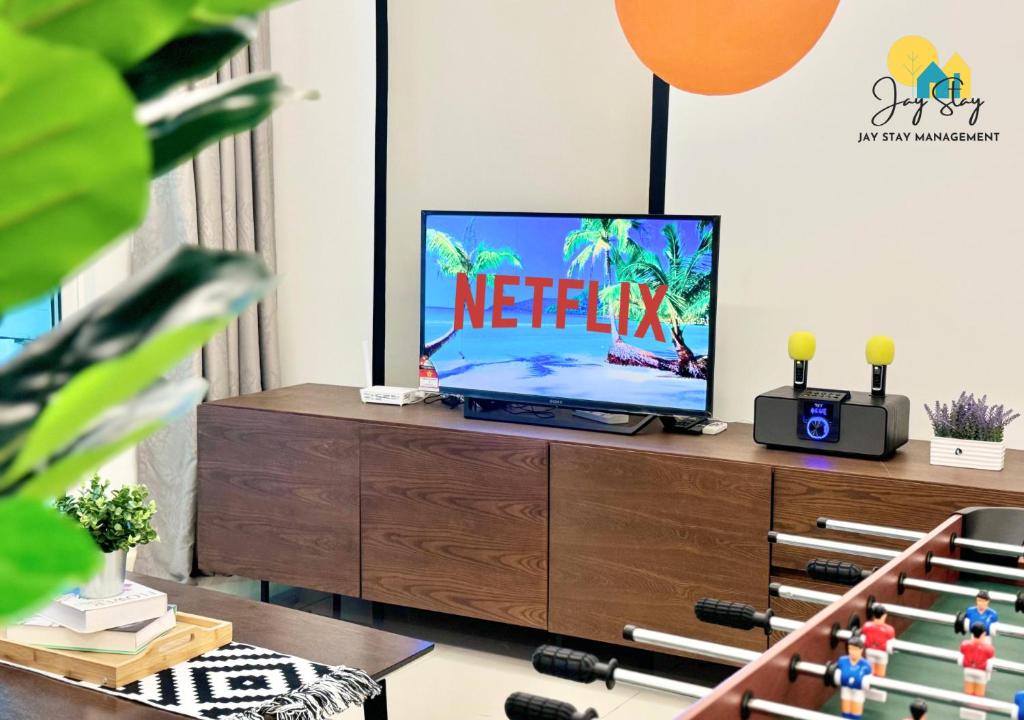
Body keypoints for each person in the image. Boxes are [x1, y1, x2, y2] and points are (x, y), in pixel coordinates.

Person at [834, 634, 873, 720]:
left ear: (861, 650)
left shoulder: (866, 665)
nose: (851, 652)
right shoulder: (842, 660)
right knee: (845, 713)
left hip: (858, 691)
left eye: (855, 649)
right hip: (846, 689)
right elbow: (835, 673)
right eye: (850, 649)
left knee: (855, 714)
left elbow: (869, 682)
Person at [959, 621, 996, 697]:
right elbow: (990, 661)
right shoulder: (989, 648)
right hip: (981, 672)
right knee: (979, 695)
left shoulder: (964, 644)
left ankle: (967, 704)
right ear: (983, 634)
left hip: (968, 670)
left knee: (968, 693)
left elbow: (961, 657)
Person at [862, 604, 896, 677]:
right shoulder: (889, 629)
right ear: (884, 615)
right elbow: (891, 647)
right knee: (880, 676)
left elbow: (863, 639)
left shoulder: (866, 625)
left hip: (869, 651)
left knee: (869, 675)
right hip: (882, 653)